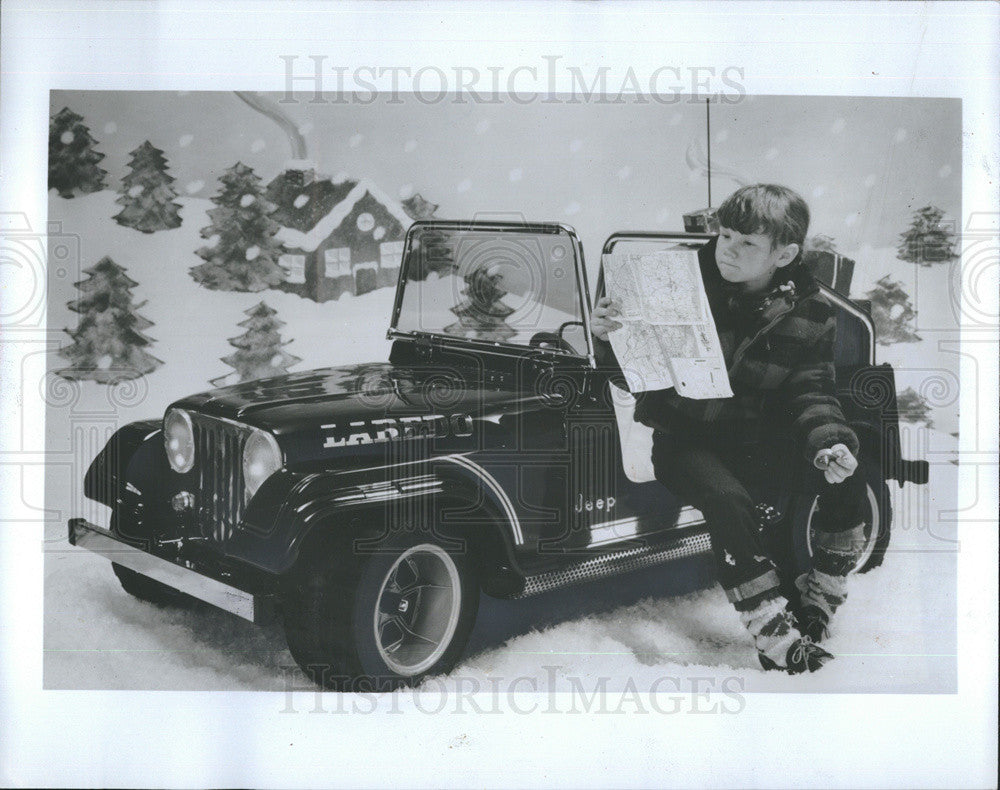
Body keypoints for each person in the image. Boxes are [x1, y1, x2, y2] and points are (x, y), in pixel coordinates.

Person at [592, 184, 869, 674]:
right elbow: (629, 376)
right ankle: (770, 628)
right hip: (684, 440)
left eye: (747, 244)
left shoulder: (812, 311)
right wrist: (609, 339)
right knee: (726, 498)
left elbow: (811, 391)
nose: (729, 252)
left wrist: (829, 445)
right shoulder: (672, 286)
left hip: (756, 440)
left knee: (843, 470)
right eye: (725, 237)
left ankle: (820, 594)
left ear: (784, 255)